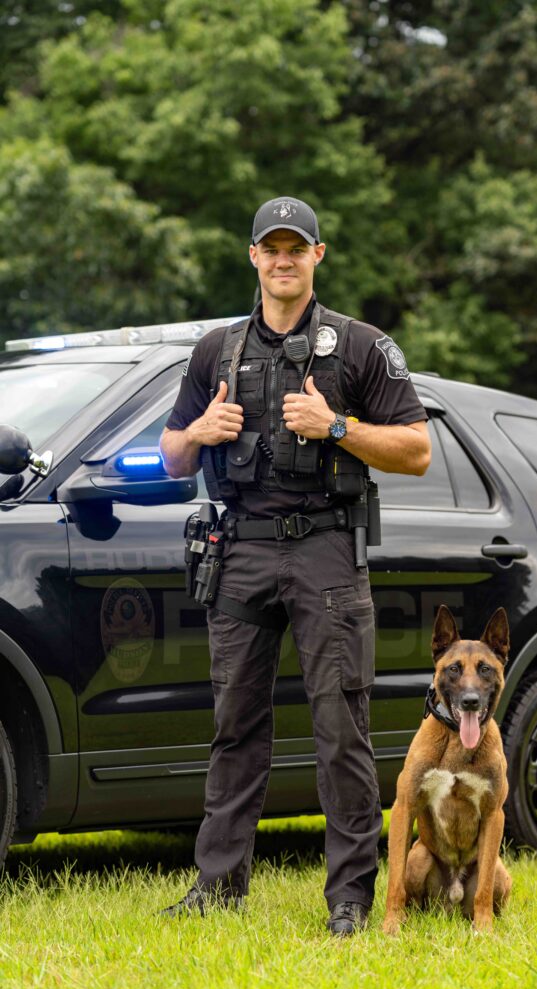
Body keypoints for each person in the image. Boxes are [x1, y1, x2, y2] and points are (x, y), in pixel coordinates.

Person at [159, 196, 431, 935]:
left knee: (339, 725)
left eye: (295, 247)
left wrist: (336, 426)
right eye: (270, 247)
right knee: (233, 724)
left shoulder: (361, 346)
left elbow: (416, 450)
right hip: (240, 547)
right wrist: (197, 432)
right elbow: (169, 450)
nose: (282, 259)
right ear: (253, 256)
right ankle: (218, 887)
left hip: (325, 551)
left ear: (317, 255)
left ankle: (349, 898)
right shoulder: (215, 350)